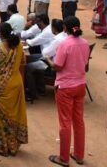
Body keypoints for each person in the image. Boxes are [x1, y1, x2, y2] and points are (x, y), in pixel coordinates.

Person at [46, 17, 90, 166]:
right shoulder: (85, 44)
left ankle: (64, 157)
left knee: (65, 123)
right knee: (79, 121)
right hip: (80, 85)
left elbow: (58, 66)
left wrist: (48, 60)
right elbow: (84, 63)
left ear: (65, 28)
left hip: (65, 87)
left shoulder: (64, 44)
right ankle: (79, 155)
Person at [0, 23, 27, 156]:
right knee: (14, 114)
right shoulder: (19, 46)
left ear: (0, 34)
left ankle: (3, 145)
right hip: (17, 83)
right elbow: (23, 62)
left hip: (1, 87)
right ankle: (13, 145)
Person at [25, 19, 65, 100]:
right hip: (54, 61)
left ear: (54, 29)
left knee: (28, 67)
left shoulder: (57, 39)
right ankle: (40, 88)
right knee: (29, 58)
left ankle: (32, 94)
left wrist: (47, 52)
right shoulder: (64, 36)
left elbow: (45, 53)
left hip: (53, 66)